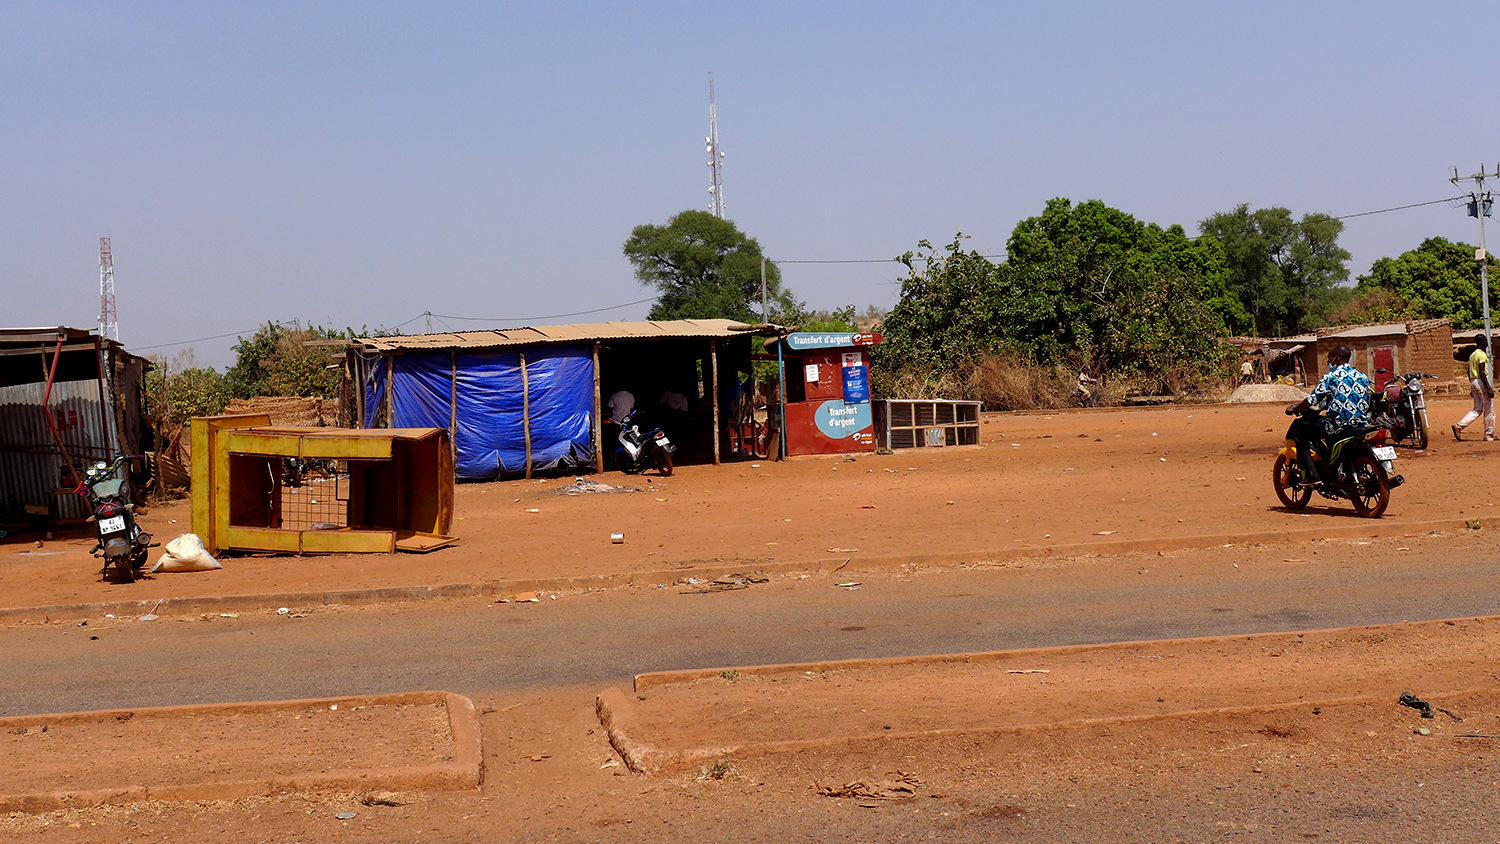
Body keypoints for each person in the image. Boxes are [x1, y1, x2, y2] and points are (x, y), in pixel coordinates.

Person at [1284, 345, 1372, 487]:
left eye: (1329, 358)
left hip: (1338, 425)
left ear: (1337, 359)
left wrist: (1296, 408)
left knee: (1300, 431)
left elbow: (1312, 400)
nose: (1328, 362)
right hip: (1361, 424)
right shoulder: (1362, 376)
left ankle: (1312, 475)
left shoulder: (1330, 377)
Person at [1453, 335, 1495, 442]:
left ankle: (1459, 426)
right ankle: (1488, 435)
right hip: (1480, 381)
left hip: (1473, 382)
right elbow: (1482, 372)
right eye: (1486, 340)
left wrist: (1472, 388)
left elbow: (1468, 371)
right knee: (1489, 409)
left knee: (1477, 409)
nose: (1487, 342)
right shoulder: (1481, 355)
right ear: (1483, 342)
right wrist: (1489, 387)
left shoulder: (1472, 355)